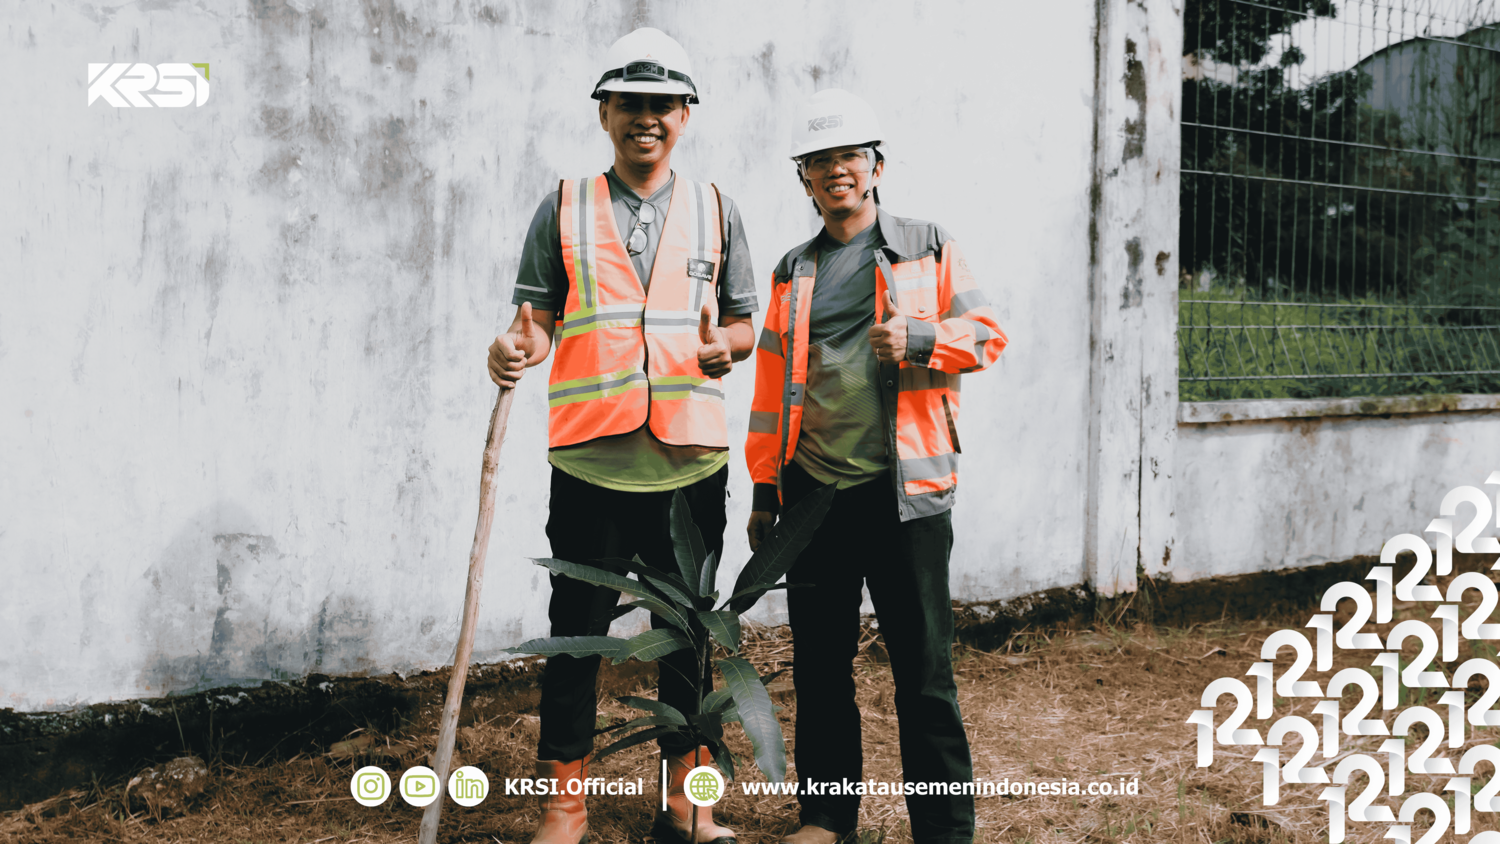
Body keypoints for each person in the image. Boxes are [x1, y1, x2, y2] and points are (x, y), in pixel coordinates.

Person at [487, 27, 757, 844]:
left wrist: (727, 347)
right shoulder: (564, 206)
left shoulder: (716, 208)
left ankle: (688, 804)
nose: (648, 118)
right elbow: (534, 323)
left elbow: (743, 325)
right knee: (577, 640)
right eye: (631, 103)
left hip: (689, 465)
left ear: (686, 116)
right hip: (592, 462)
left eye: (664, 105)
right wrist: (512, 350)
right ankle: (563, 808)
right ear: (604, 113)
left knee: (689, 639)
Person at [744, 89, 1008, 844]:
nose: (836, 170)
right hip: (812, 496)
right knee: (820, 670)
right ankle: (827, 818)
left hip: (905, 497)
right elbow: (771, 388)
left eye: (849, 157)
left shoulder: (929, 244)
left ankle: (944, 830)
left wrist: (921, 338)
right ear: (804, 176)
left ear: (876, 167)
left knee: (923, 673)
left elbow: (988, 335)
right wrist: (765, 486)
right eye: (819, 160)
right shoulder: (794, 270)